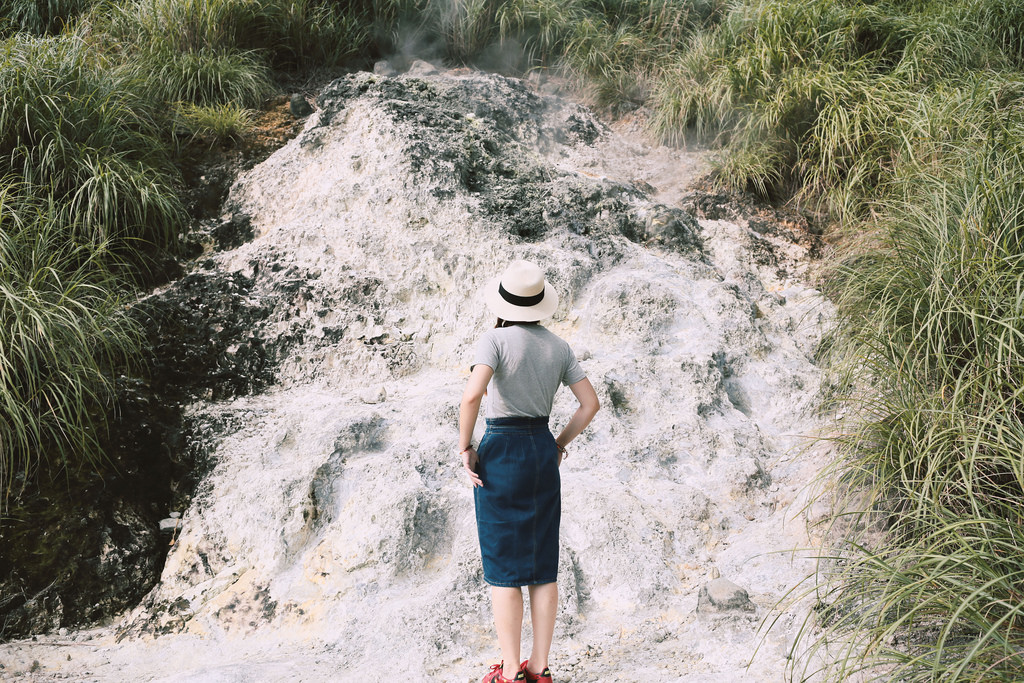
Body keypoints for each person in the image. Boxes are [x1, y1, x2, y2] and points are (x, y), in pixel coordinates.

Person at [458, 260, 600, 683]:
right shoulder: (558, 347)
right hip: (540, 450)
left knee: (504, 569)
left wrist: (465, 446)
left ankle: (510, 669)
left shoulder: (494, 340)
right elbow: (589, 404)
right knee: (542, 566)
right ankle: (540, 667)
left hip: (500, 450)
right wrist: (558, 444)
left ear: (503, 302)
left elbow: (472, 397)